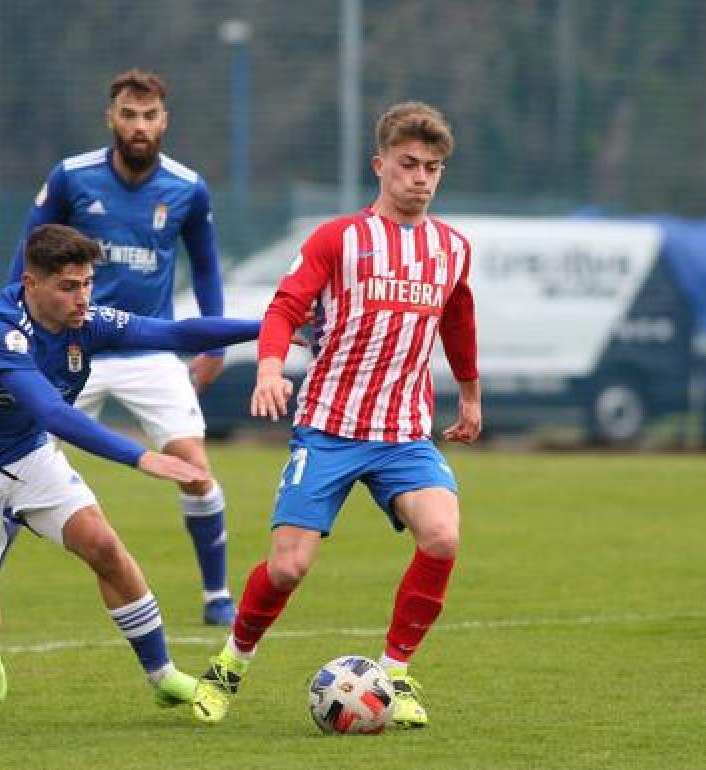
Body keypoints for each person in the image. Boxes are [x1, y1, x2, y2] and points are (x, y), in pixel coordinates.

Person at [0, 69, 237, 632]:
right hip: (67, 350)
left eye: (149, 115)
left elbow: (205, 265)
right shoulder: (72, 176)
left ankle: (218, 596)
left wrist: (215, 344)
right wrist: (17, 331)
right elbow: (28, 255)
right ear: (111, 117)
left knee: (195, 471)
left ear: (165, 120)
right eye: (128, 114)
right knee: (17, 464)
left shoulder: (188, 187)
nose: (139, 125)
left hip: (144, 347)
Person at [190, 102, 481, 729]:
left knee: (443, 535)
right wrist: (270, 370)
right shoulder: (338, 239)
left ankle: (395, 674)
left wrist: (470, 393)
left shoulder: (452, 249)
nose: (421, 178)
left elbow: (458, 317)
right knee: (288, 567)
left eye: (432, 168)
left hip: (404, 433)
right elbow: (284, 308)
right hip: (329, 428)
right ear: (379, 165)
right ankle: (229, 666)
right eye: (408, 164)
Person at [0, 223, 258, 709]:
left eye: (88, 283)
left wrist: (270, 326)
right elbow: (53, 413)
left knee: (104, 547)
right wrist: (142, 456)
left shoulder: (88, 322)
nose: (83, 298)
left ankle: (163, 675)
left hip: (23, 455)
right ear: (31, 283)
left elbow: (175, 333)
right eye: (69, 286)